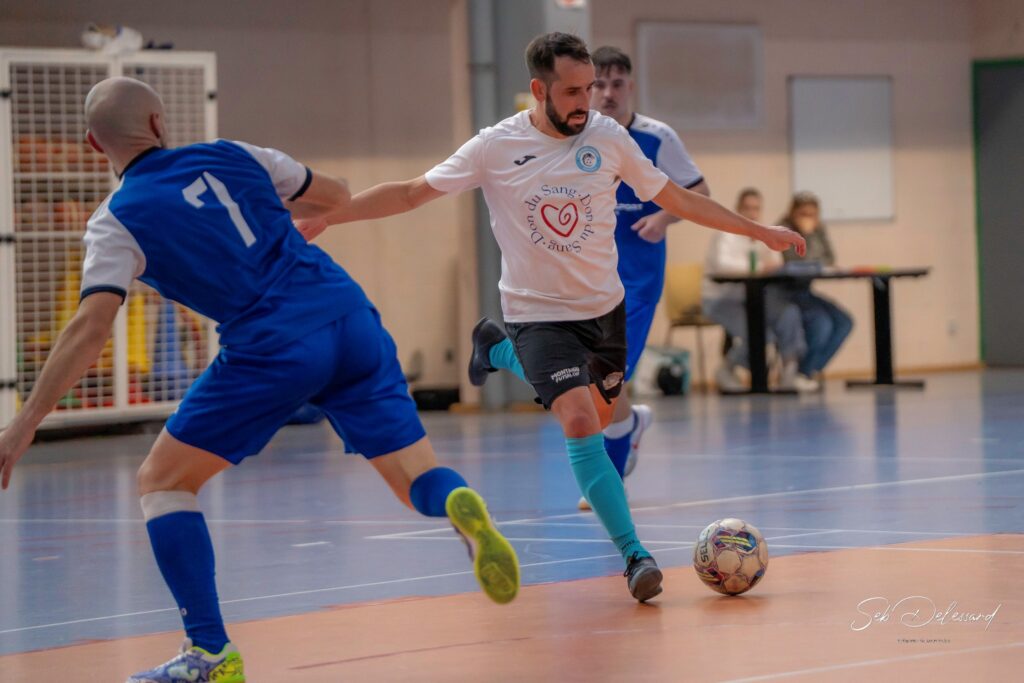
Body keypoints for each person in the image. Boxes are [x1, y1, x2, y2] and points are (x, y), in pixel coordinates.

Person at [0, 77, 520, 683]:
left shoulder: (115, 222)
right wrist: (284, 216)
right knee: (415, 479)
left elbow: (90, 329)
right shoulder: (234, 153)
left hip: (272, 343)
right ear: (161, 124)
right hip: (348, 315)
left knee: (162, 481)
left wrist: (25, 421)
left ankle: (211, 654)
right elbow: (336, 195)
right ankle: (459, 504)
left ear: (95, 144)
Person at [297, 33, 805, 603]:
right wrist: (333, 217)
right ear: (539, 90)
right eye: (572, 91)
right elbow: (413, 192)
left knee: (606, 408)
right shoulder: (495, 146)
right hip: (538, 314)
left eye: (590, 88)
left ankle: (495, 349)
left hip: (603, 311)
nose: (586, 101)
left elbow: (679, 199)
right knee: (582, 421)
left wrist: (761, 231)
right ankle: (635, 556)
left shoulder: (609, 138)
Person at [567, 45, 710, 511]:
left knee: (608, 379)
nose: (607, 94)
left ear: (631, 85)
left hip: (639, 277)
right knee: (595, 378)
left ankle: (608, 481)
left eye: (616, 84)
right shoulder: (580, 136)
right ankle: (631, 426)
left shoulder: (656, 136)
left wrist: (664, 220)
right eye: (599, 86)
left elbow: (699, 192)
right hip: (589, 273)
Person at [703, 188, 816, 392]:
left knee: (789, 313)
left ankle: (789, 373)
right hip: (722, 299)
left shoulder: (762, 233)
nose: (752, 213)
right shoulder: (725, 234)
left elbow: (776, 260)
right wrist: (757, 267)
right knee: (762, 334)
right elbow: (723, 265)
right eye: (747, 208)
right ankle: (726, 369)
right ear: (738, 209)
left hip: (754, 297)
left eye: (756, 209)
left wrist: (766, 257)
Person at [780, 191, 853, 381]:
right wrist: (806, 235)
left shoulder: (818, 229)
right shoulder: (783, 230)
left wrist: (812, 235)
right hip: (785, 293)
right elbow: (794, 261)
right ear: (793, 213)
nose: (808, 219)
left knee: (845, 321)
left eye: (812, 214)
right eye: (803, 214)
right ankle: (801, 373)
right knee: (822, 323)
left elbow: (829, 258)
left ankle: (807, 370)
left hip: (806, 292)